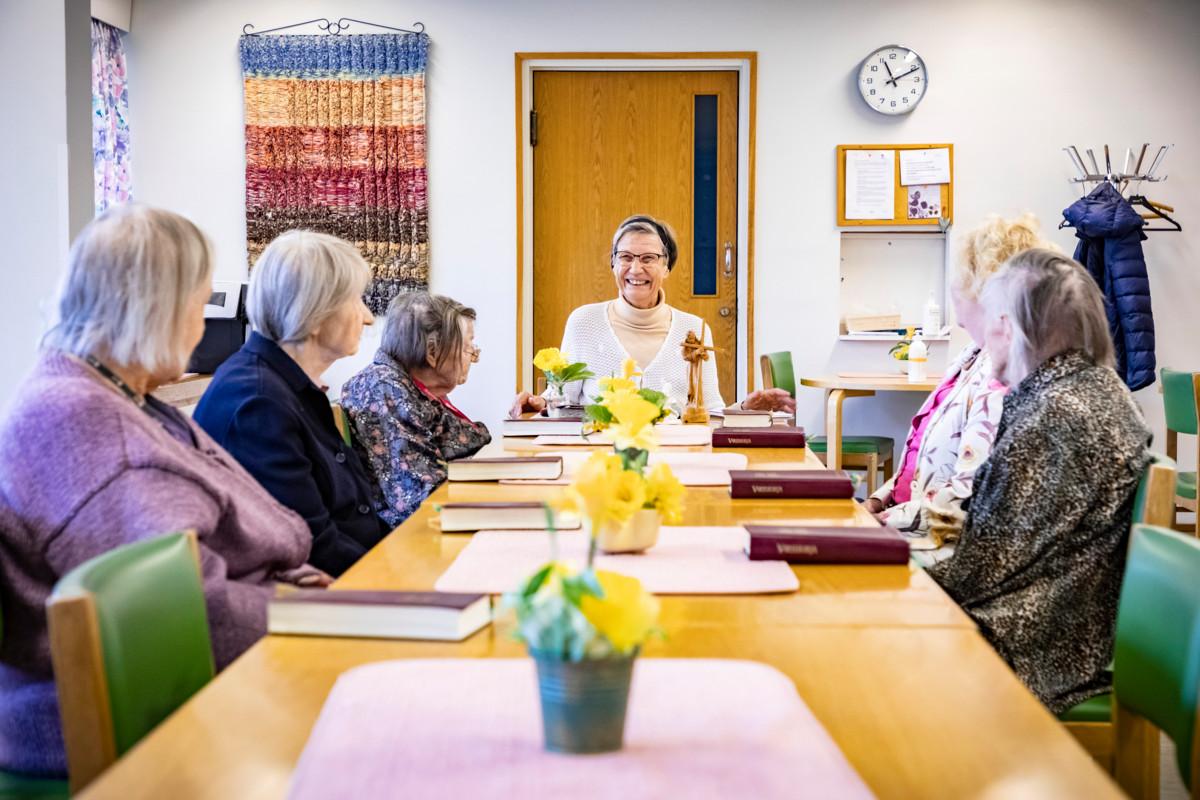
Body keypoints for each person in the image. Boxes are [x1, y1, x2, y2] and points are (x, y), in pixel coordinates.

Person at [0, 206, 318, 778]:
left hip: (210, 679)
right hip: (133, 722)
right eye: (199, 304)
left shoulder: (125, 394)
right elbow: (185, 613)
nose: (203, 326)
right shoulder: (76, 416)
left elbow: (237, 536)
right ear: (155, 308)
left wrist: (287, 579)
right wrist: (312, 608)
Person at [927, 248, 1151, 714]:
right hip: (1065, 629)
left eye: (989, 321)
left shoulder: (1054, 418)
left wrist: (888, 578)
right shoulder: (1098, 389)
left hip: (1029, 649)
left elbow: (976, 575)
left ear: (1007, 327)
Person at [194, 231, 388, 577]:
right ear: (313, 315)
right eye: (356, 300)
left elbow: (353, 518)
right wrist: (404, 572)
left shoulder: (286, 385)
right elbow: (313, 547)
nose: (368, 317)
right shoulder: (258, 403)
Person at [864, 215, 1050, 554]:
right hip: (909, 525)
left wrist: (877, 521)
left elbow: (967, 499)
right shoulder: (974, 353)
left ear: (985, 291)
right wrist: (878, 500)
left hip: (938, 549)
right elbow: (921, 462)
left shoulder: (1005, 377)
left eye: (960, 282)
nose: (956, 304)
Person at [510, 214, 793, 417]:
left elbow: (711, 415)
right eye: (626, 257)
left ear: (666, 267)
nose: (635, 269)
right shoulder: (583, 322)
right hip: (600, 462)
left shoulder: (695, 330)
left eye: (648, 259)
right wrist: (537, 403)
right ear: (613, 264)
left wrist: (745, 410)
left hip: (677, 464)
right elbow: (560, 401)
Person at [341, 292, 491, 527]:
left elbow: (471, 441)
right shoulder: (384, 389)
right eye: (468, 347)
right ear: (432, 352)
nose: (473, 357)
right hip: (407, 538)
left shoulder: (408, 387)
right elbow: (420, 495)